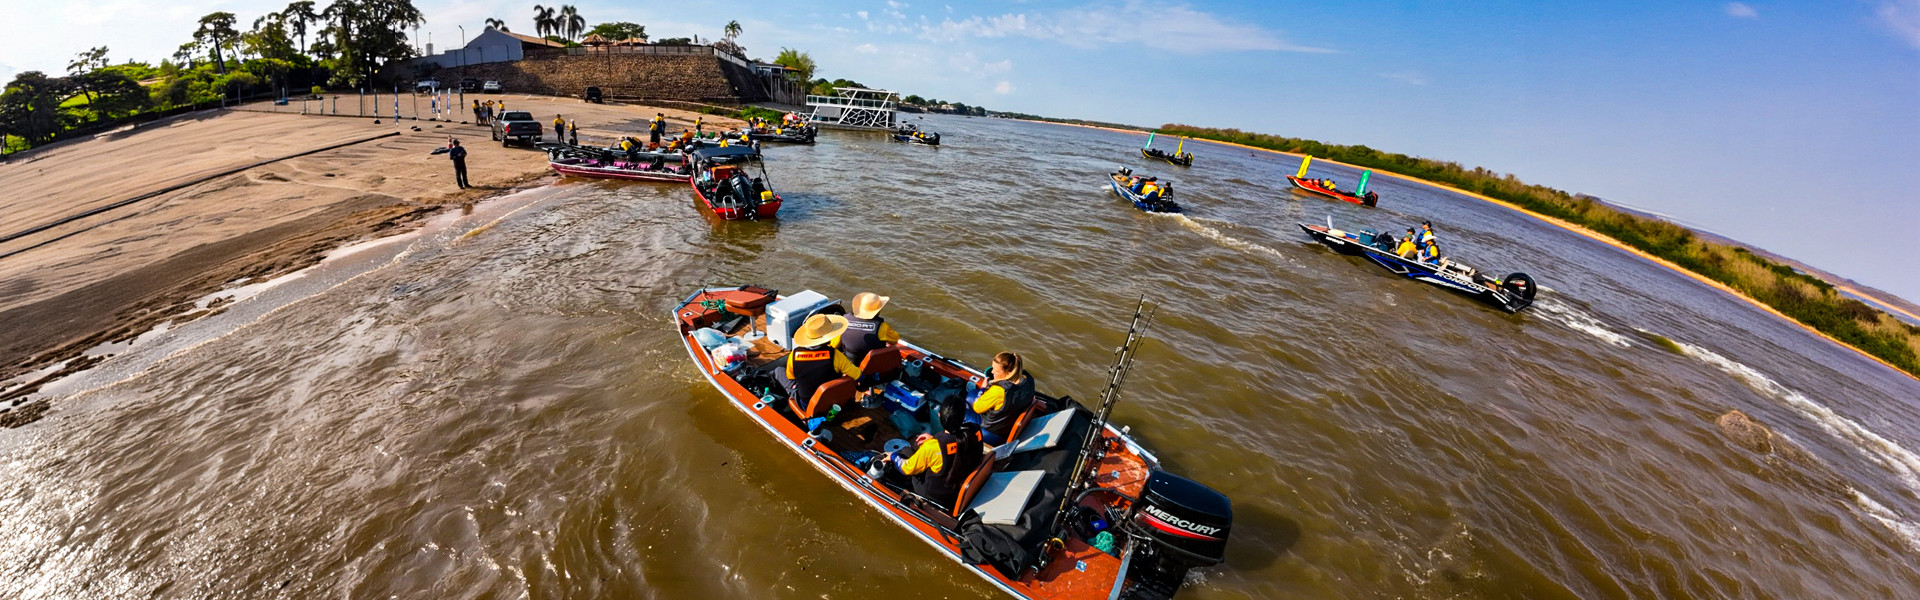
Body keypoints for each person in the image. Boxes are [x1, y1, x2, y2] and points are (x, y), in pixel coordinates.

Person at [890, 400, 983, 508]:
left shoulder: (933, 447)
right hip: (959, 484)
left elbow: (907, 468)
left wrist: (893, 456)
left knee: (906, 452)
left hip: (937, 497)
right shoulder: (975, 430)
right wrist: (934, 438)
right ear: (963, 416)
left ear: (939, 416)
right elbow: (959, 443)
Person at [775, 314, 862, 406]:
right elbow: (858, 375)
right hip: (833, 400)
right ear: (829, 335)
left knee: (778, 371)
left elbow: (791, 377)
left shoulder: (794, 354)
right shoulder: (836, 355)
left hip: (807, 403)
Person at [972, 352, 1035, 445]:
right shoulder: (1028, 380)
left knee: (961, 407)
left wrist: (982, 389)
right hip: (1005, 424)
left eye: (996, 371)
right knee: (971, 394)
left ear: (1008, 373)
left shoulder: (999, 391)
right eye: (992, 368)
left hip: (991, 430)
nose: (992, 372)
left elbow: (977, 408)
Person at [837, 292, 901, 364]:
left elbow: (835, 345)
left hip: (848, 364)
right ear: (878, 310)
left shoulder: (844, 321)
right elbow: (895, 340)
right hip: (871, 365)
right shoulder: (882, 327)